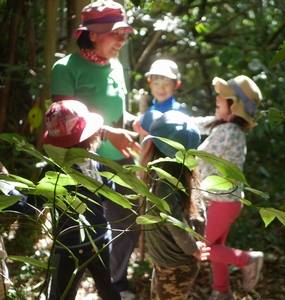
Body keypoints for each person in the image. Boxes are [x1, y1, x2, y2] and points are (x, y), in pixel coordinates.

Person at [50, 1, 140, 298]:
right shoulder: (65, 68)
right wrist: (107, 132)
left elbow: (118, 112)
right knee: (77, 239)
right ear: (93, 35)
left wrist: (134, 125)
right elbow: (64, 122)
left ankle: (118, 281)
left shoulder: (116, 66)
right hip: (80, 166)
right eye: (116, 34)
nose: (122, 41)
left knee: (125, 226)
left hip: (118, 163)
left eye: (125, 34)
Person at [42, 100, 120, 299]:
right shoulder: (94, 161)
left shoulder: (52, 169)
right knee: (107, 287)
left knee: (61, 294)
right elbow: (106, 194)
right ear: (90, 136)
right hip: (99, 238)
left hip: (68, 244)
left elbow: (40, 200)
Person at [195, 75, 265, 300]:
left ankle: (248, 259)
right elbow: (199, 123)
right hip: (227, 202)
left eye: (223, 96)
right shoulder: (228, 128)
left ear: (234, 105)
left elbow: (199, 160)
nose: (217, 98)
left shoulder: (227, 132)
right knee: (216, 248)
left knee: (200, 248)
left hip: (220, 202)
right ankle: (222, 291)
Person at [140, 110, 210, 300]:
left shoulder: (165, 183)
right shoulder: (170, 174)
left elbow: (175, 222)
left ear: (154, 145)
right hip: (167, 262)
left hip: (175, 265)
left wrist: (193, 248)